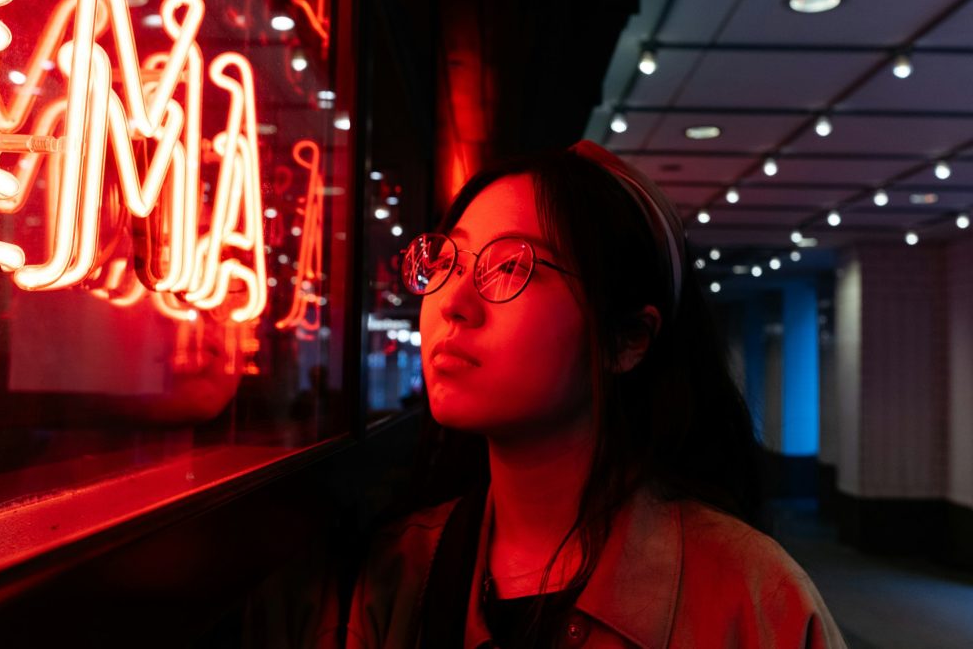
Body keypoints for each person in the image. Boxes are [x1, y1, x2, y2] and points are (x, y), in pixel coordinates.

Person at [345, 141, 846, 648]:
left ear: (626, 341)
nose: (453, 302)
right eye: (447, 262)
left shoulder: (754, 597)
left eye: (512, 267)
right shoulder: (399, 571)